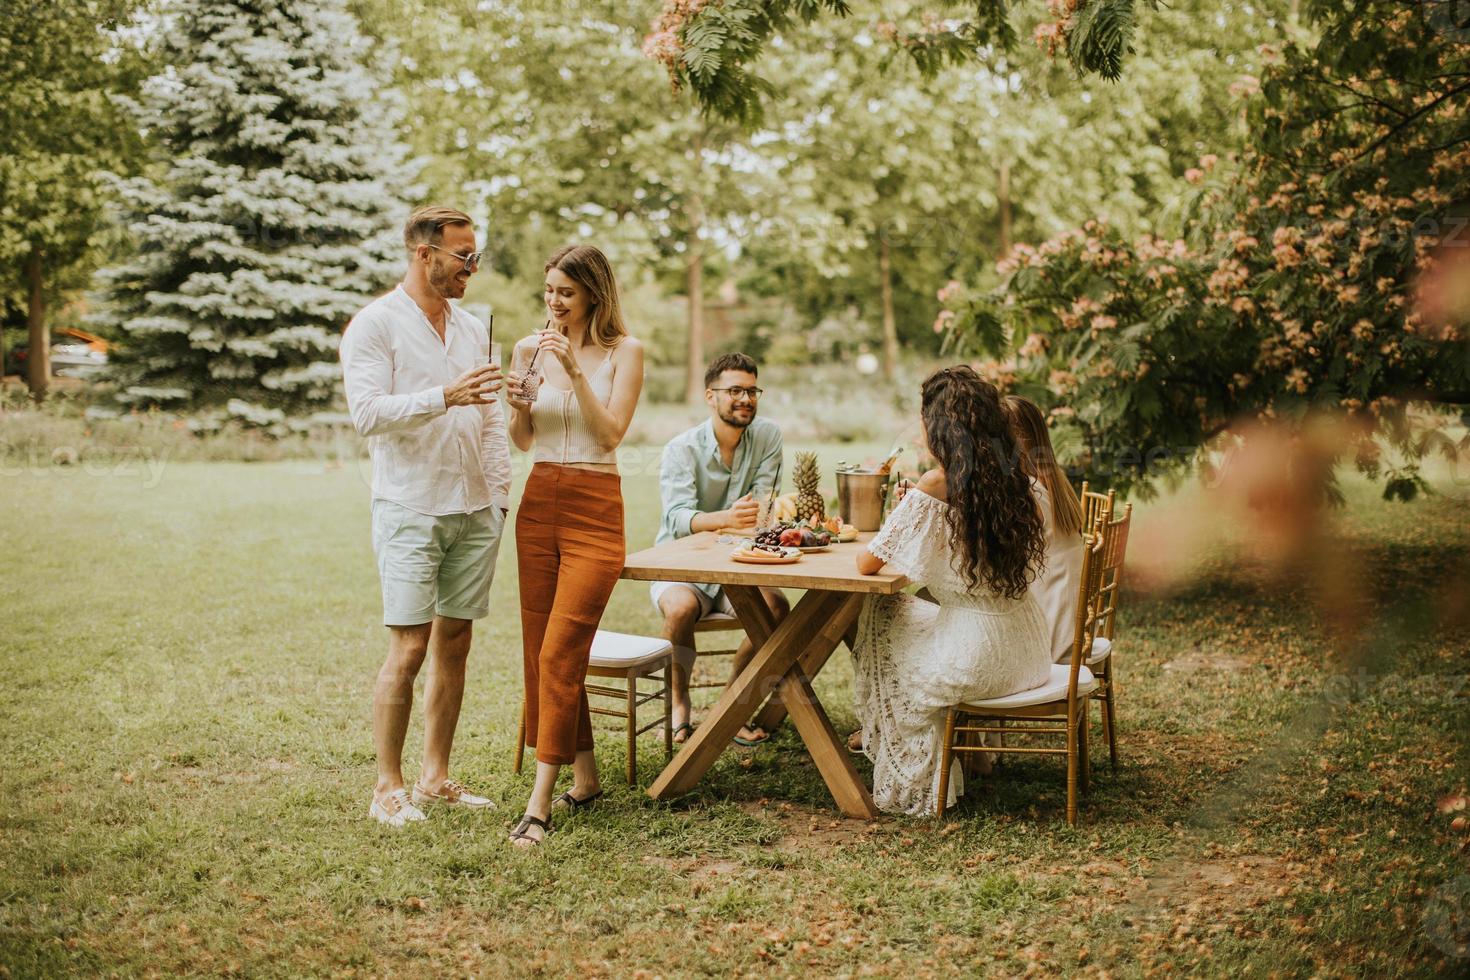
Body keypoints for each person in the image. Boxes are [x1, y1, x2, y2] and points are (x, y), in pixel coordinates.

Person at [340, 205, 510, 827]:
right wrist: (444, 396)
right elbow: (367, 413)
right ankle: (388, 786)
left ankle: (435, 776)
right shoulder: (375, 325)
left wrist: (499, 496)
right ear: (423, 254)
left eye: (475, 256)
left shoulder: (472, 325)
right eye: (462, 256)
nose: (472, 266)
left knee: (456, 646)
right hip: (411, 504)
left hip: (475, 508)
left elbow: (490, 416)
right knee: (409, 649)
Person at [851, 366, 1051, 816]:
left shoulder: (937, 483)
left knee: (881, 612)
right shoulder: (1018, 474)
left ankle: (918, 748)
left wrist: (909, 515)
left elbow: (867, 564)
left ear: (939, 426)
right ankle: (971, 749)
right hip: (1029, 649)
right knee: (912, 616)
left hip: (977, 660)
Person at [504, 244, 644, 847]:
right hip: (539, 505)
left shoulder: (624, 353)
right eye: (548, 292)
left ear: (593, 293)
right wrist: (516, 405)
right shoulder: (527, 350)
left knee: (561, 652)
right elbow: (523, 440)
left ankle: (539, 805)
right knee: (543, 648)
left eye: (565, 292)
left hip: (594, 508)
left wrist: (577, 372)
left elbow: (610, 433)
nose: (554, 303)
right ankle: (584, 780)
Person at [653, 352, 789, 745]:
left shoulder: (767, 436)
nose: (745, 399)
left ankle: (731, 706)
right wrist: (726, 519)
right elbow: (677, 519)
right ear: (710, 396)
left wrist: (748, 520)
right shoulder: (682, 448)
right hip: (685, 566)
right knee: (680, 609)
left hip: (740, 561)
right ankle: (680, 702)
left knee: (778, 608)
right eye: (734, 391)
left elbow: (763, 506)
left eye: (751, 391)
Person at [1002, 395, 1085, 662]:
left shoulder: (1027, 491)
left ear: (1016, 437)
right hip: (1069, 624)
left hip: (1051, 641)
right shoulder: (1054, 480)